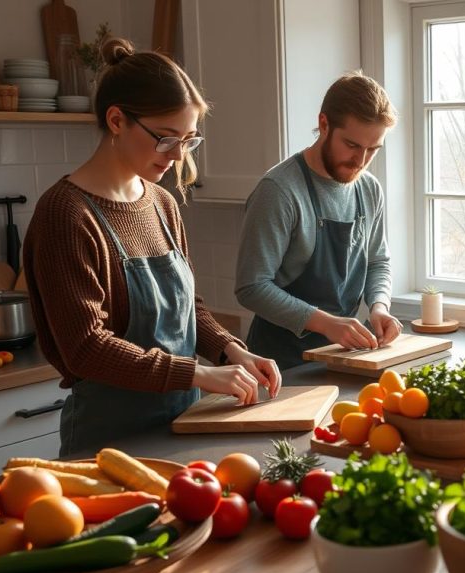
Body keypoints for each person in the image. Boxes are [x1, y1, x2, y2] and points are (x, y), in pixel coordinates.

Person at [24, 38, 281, 456]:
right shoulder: (66, 214)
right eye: (165, 138)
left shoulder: (160, 203)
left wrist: (231, 350)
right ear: (116, 120)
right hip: (107, 445)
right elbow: (86, 347)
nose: (178, 155)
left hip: (183, 427)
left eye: (189, 140)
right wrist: (197, 373)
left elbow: (188, 309)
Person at [236, 72, 400, 369]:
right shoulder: (279, 190)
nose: (361, 161)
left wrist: (379, 306)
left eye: (372, 149)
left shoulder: (369, 189)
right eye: (352, 145)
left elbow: (378, 261)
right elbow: (252, 286)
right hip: (280, 364)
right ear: (324, 124)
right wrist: (326, 323)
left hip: (343, 357)